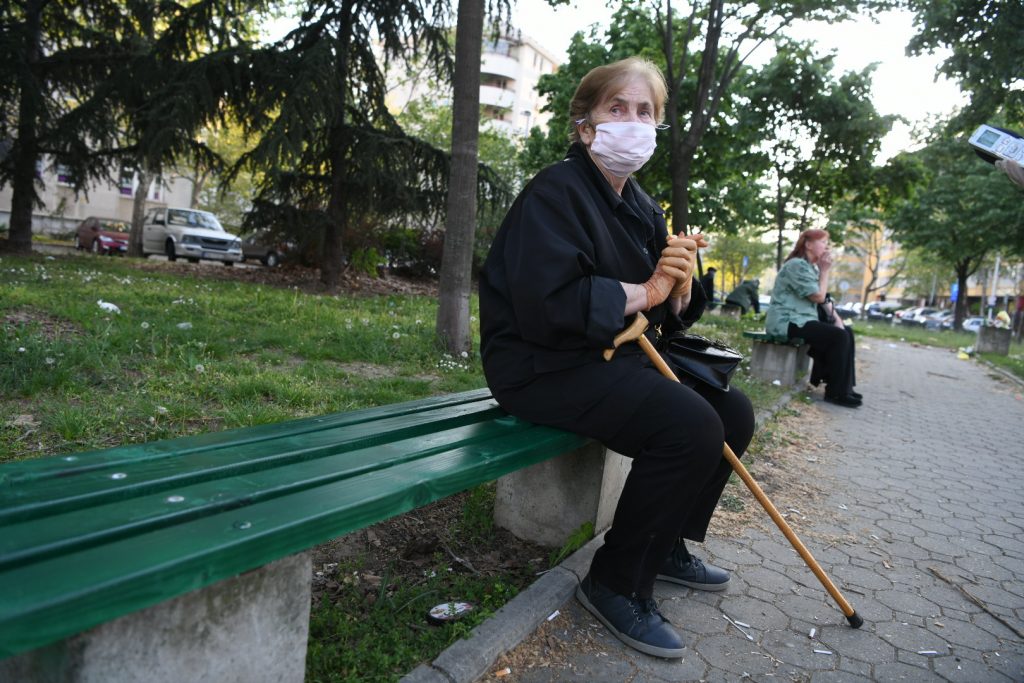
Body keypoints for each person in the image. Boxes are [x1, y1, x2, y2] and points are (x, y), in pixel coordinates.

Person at [479, 57, 755, 659]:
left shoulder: (643, 206)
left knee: (732, 411)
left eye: (646, 112)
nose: (634, 122)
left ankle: (666, 545)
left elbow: (661, 312)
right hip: (542, 364)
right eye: (617, 109)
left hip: (608, 357)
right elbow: (549, 305)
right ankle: (615, 580)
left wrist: (678, 289)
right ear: (586, 126)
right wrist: (651, 291)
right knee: (691, 426)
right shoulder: (555, 192)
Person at [766, 229, 861, 407]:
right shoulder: (796, 265)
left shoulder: (810, 268)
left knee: (846, 331)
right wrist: (825, 271)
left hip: (802, 320)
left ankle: (845, 388)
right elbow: (818, 296)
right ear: (808, 245)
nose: (827, 247)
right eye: (823, 242)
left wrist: (837, 320)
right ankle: (835, 392)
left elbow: (825, 298)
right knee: (838, 336)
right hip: (786, 321)